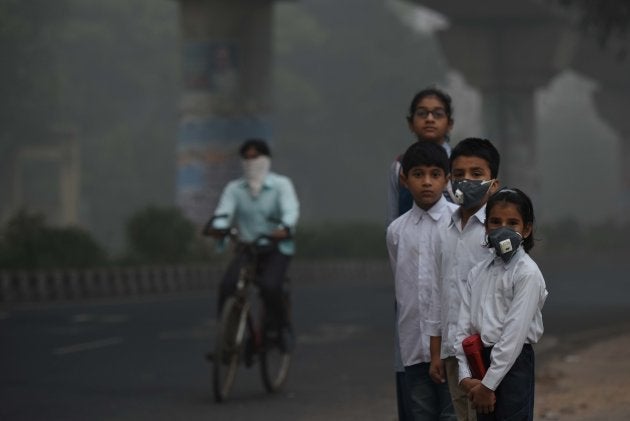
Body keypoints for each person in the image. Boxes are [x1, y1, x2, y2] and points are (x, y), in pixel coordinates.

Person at [387, 86, 455, 421]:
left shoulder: (458, 223)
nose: (426, 182)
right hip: (413, 338)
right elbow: (401, 276)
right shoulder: (397, 231)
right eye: (422, 113)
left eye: (437, 113)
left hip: (454, 339)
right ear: (404, 178)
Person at [454, 188, 548, 420]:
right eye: (495, 221)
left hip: (513, 365)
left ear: (526, 229)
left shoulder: (527, 274)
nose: (503, 228)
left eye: (512, 222)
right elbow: (463, 328)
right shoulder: (478, 272)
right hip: (479, 362)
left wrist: (488, 386)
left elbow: (513, 336)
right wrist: (466, 377)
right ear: (485, 227)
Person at [426, 137, 501, 421]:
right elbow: (438, 293)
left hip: (486, 352)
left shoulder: (496, 232)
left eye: (476, 174)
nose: (466, 180)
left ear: (493, 183)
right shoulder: (444, 231)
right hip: (453, 352)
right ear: (449, 180)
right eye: (458, 174)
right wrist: (437, 352)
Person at [205, 138, 299, 349]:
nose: (250, 162)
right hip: (248, 248)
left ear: (265, 159)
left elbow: (290, 210)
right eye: (246, 158)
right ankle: (226, 339)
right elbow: (224, 212)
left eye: (255, 157)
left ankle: (281, 327)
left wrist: (285, 228)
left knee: (270, 286)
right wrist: (219, 227)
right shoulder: (235, 189)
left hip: (276, 248)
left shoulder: (281, 185)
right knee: (228, 286)